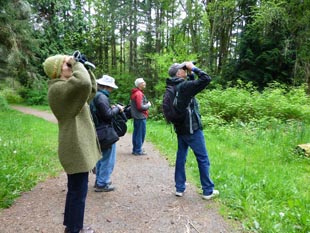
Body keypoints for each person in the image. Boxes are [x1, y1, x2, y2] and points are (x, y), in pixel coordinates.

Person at [43, 54, 101, 233]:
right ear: (58, 69)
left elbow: (89, 90)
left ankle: (71, 226)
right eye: (67, 64)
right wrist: (76, 63)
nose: (71, 66)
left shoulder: (67, 88)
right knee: (78, 193)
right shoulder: (57, 90)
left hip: (76, 146)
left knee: (75, 191)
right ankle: (75, 229)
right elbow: (82, 84)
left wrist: (86, 68)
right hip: (74, 147)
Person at [166, 62, 219, 200]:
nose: (185, 70)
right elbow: (206, 79)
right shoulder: (183, 87)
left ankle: (179, 188)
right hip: (192, 129)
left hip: (180, 128)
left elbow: (191, 86)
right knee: (202, 158)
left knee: (181, 157)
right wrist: (193, 68)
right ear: (178, 73)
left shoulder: (172, 86)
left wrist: (189, 73)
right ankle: (208, 190)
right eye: (183, 69)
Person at [90, 75, 124, 192]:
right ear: (107, 87)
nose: (112, 90)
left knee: (101, 157)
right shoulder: (102, 97)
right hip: (104, 131)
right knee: (107, 158)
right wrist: (118, 109)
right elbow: (107, 115)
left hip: (97, 130)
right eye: (111, 88)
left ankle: (99, 180)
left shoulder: (95, 96)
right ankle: (102, 183)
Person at [130, 78, 151, 156]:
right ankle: (138, 150)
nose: (144, 83)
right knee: (140, 134)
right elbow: (140, 107)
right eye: (143, 82)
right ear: (139, 85)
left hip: (136, 116)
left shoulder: (135, 93)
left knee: (136, 133)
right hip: (140, 117)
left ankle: (136, 149)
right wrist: (148, 105)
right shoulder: (139, 94)